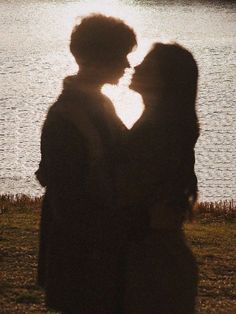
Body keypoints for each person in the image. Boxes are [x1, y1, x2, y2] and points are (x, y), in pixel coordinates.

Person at [35, 14, 136, 314]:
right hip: (84, 259)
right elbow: (69, 202)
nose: (127, 65)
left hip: (92, 255)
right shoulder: (68, 117)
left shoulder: (97, 104)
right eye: (122, 56)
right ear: (98, 58)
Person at [121, 43, 200, 313]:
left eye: (147, 65)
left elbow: (139, 199)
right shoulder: (156, 123)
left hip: (155, 263)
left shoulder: (160, 133)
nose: (135, 67)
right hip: (155, 256)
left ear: (167, 80)